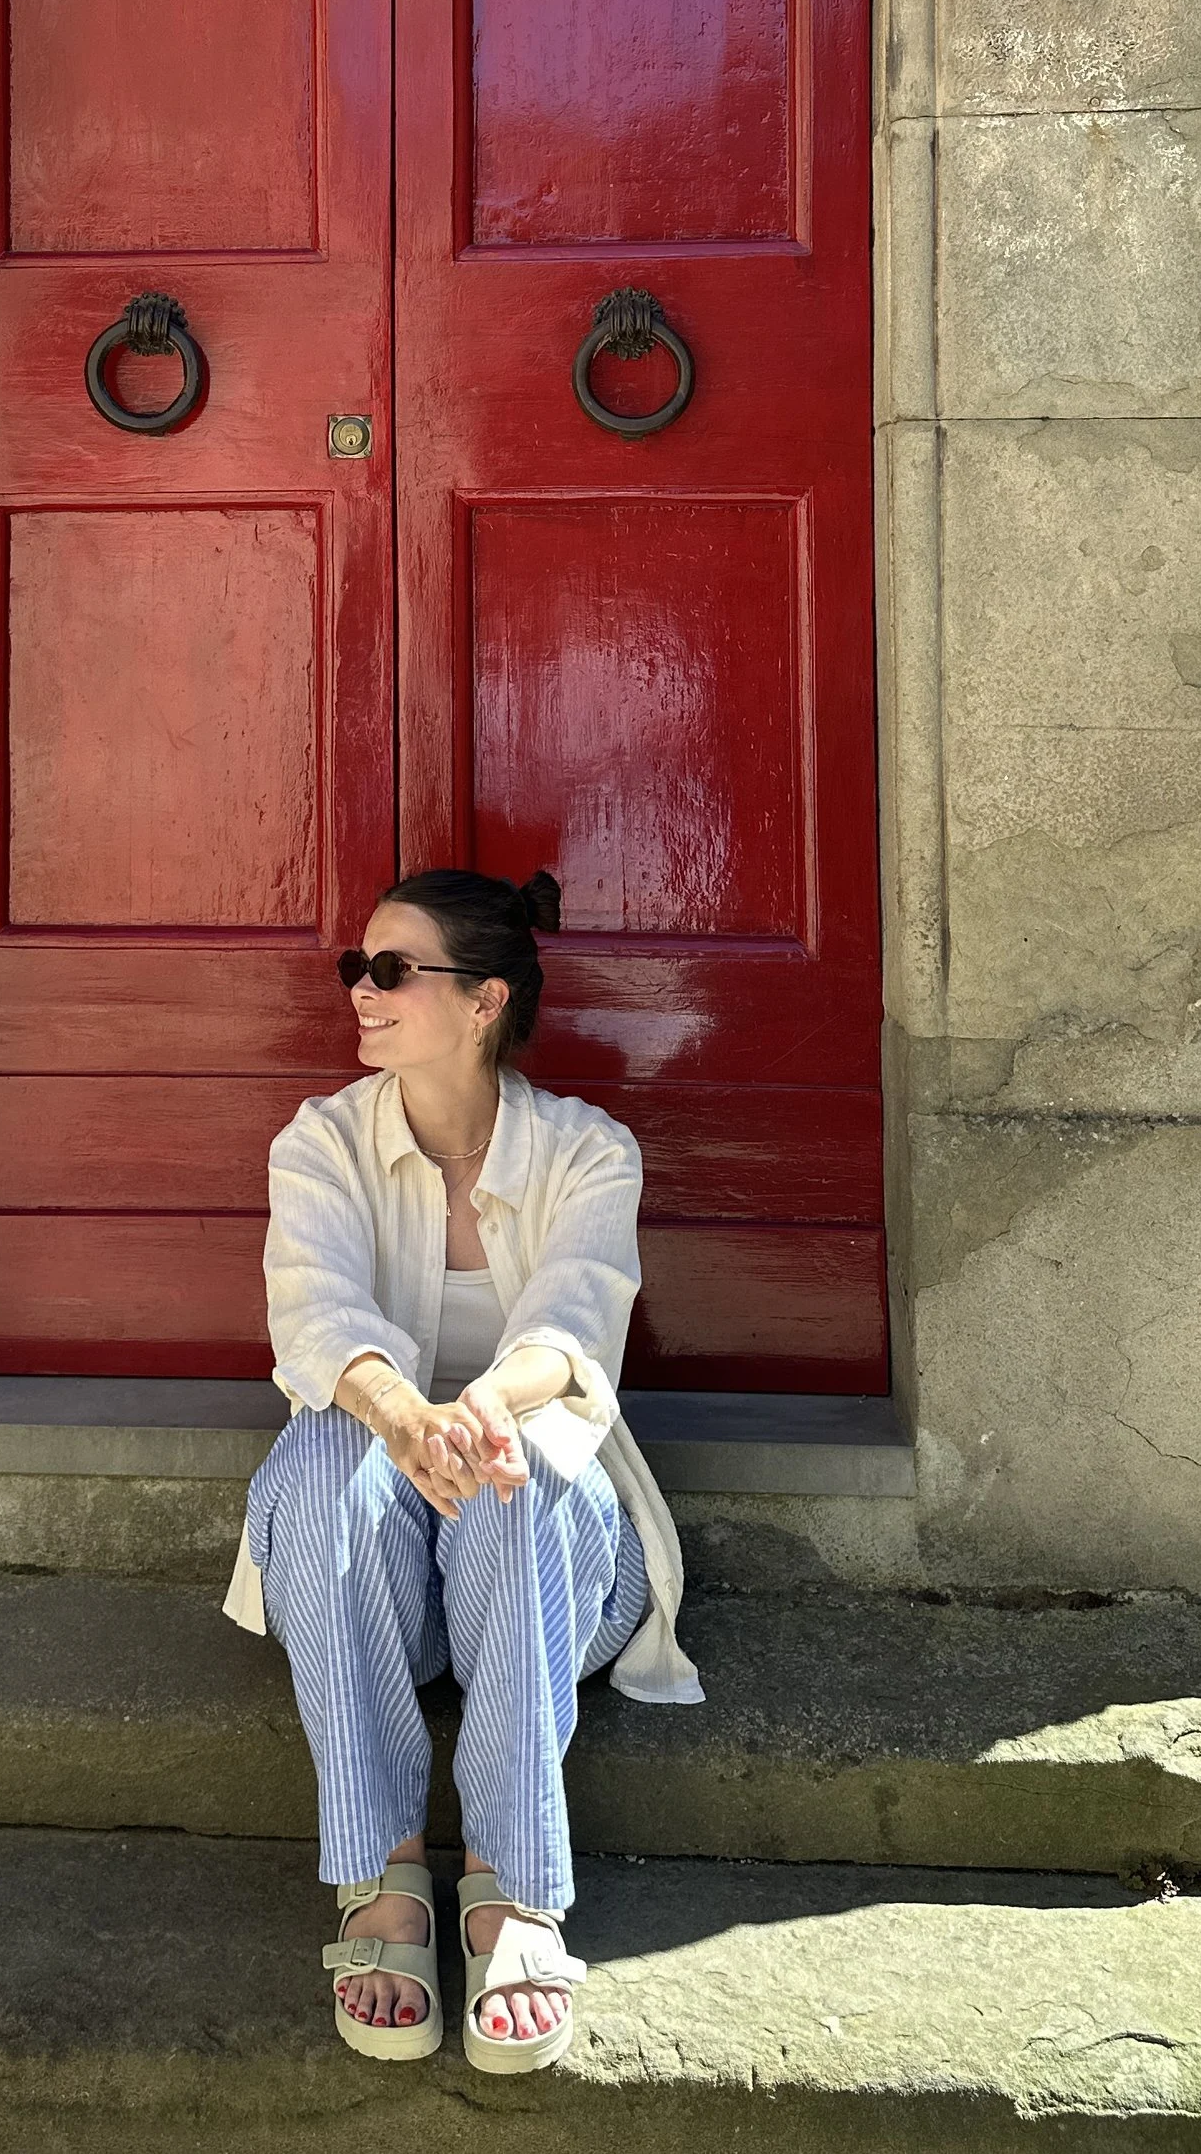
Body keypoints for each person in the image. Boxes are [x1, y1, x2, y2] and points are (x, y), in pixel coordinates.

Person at [221, 866, 700, 2077]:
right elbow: (313, 1317)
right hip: (367, 1563)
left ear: (482, 1000)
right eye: (356, 969)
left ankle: (509, 1889)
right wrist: (399, 1414)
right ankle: (383, 1881)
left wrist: (479, 1410)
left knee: (523, 1465)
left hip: (540, 1576)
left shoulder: (588, 1152)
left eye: (392, 970)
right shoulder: (319, 1142)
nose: (361, 992)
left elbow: (575, 1325)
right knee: (332, 1452)